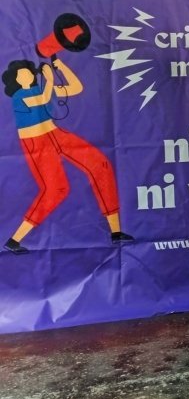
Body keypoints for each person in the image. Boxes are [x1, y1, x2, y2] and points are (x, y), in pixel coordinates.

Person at [3, 58, 133, 254]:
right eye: (21, 74)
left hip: (56, 133)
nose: (26, 76)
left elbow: (76, 87)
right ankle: (14, 240)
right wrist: (48, 81)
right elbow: (44, 100)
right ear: (15, 80)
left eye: (28, 72)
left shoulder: (40, 90)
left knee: (101, 165)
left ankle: (115, 231)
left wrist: (59, 65)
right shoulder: (19, 96)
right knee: (55, 190)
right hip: (36, 143)